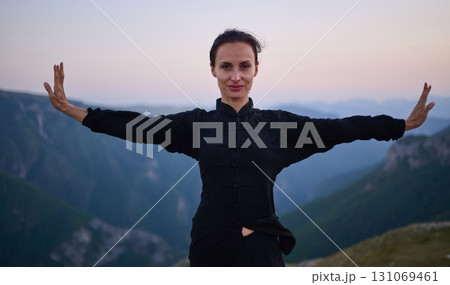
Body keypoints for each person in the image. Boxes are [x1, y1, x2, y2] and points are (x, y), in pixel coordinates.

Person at [44, 29, 435, 266]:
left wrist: (399, 125)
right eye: (226, 66)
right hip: (209, 244)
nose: (235, 76)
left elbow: (341, 128)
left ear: (256, 70)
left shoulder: (281, 128)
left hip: (261, 249)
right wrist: (73, 110)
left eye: (244, 66)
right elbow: (136, 126)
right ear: (213, 69)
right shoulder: (193, 126)